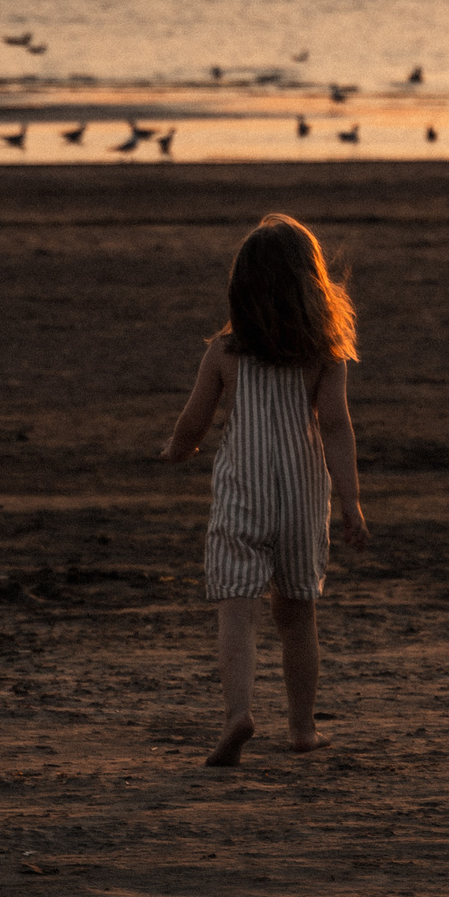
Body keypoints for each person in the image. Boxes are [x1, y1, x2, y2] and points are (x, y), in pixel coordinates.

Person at [159, 214, 369, 767]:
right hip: (302, 496)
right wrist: (350, 501)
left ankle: (238, 715)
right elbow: (335, 428)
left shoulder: (226, 352)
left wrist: (177, 452)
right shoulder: (325, 352)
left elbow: (194, 421)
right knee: (298, 614)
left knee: (237, 606)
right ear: (312, 285)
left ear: (241, 288)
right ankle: (302, 729)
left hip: (242, 494)